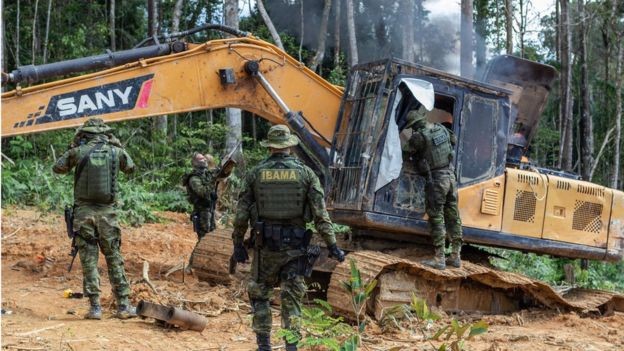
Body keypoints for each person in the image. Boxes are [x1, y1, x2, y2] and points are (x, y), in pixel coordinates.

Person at [230, 124, 345, 351]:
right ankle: (291, 346)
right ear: (290, 146)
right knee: (292, 299)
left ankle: (264, 346)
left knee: (260, 295)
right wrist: (333, 245)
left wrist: (237, 244)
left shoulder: (256, 174)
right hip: (295, 249)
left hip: (266, 251)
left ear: (270, 147)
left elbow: (242, 213)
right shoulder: (306, 174)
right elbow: (321, 215)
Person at [53, 118, 137, 320]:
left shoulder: (77, 152)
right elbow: (131, 168)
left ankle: (95, 308)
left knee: (89, 261)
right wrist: (118, 145)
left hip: (84, 216)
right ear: (106, 133)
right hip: (108, 215)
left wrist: (73, 146)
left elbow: (58, 168)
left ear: (85, 134)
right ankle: (124, 306)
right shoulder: (116, 152)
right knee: (114, 258)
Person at [405, 107, 463, 270]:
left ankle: (439, 259)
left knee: (436, 216)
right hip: (451, 178)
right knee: (453, 216)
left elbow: (405, 151)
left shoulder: (419, 136)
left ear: (415, 125)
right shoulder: (441, 128)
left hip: (437, 179)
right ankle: (456, 256)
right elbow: (454, 140)